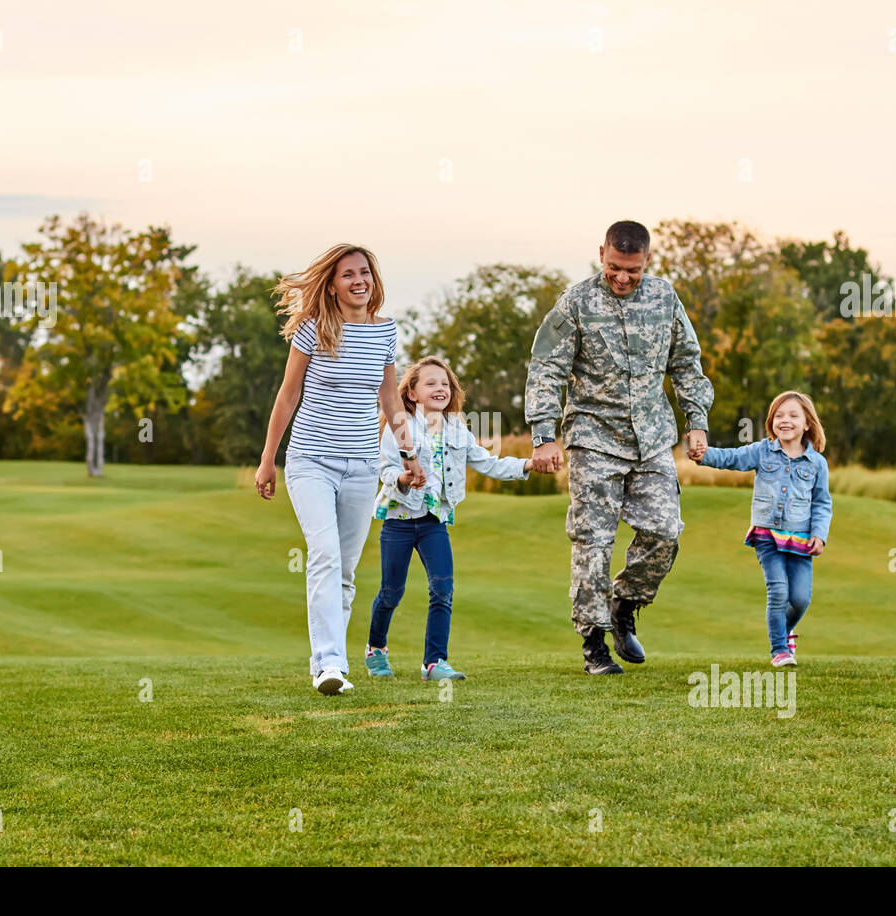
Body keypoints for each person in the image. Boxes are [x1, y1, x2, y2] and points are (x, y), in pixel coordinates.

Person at [525, 220, 714, 675]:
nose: (622, 277)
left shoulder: (665, 298)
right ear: (601, 254)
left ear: (647, 260)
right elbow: (546, 368)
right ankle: (594, 645)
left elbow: (687, 364)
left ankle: (624, 603)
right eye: (614, 267)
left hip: (650, 437)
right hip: (593, 435)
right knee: (593, 541)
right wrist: (543, 434)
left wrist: (697, 423)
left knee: (666, 532)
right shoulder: (576, 302)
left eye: (632, 269)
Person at [253, 244, 424, 696]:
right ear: (332, 284)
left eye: (364, 272)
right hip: (311, 460)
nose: (358, 280)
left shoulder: (385, 331)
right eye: (347, 274)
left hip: (364, 465)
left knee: (345, 570)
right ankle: (328, 664)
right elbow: (287, 396)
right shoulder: (314, 330)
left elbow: (390, 400)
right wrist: (268, 458)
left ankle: (331, 664)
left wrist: (408, 455)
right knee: (325, 554)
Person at [366, 357, 537, 682]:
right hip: (399, 520)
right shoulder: (398, 424)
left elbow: (488, 463)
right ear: (413, 393)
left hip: (434, 521)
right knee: (392, 592)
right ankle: (376, 648)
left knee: (442, 588)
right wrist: (401, 480)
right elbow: (384, 468)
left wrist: (526, 466)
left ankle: (434, 662)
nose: (440, 388)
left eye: (445, 383)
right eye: (430, 383)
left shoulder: (458, 429)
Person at [699, 391, 833, 666]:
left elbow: (822, 502)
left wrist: (820, 535)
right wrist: (702, 455)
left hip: (801, 540)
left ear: (807, 423)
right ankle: (779, 650)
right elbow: (731, 458)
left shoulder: (817, 463)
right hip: (767, 537)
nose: (785, 421)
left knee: (799, 598)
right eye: (779, 416)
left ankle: (785, 632)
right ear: (771, 422)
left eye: (793, 416)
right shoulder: (762, 452)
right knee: (779, 591)